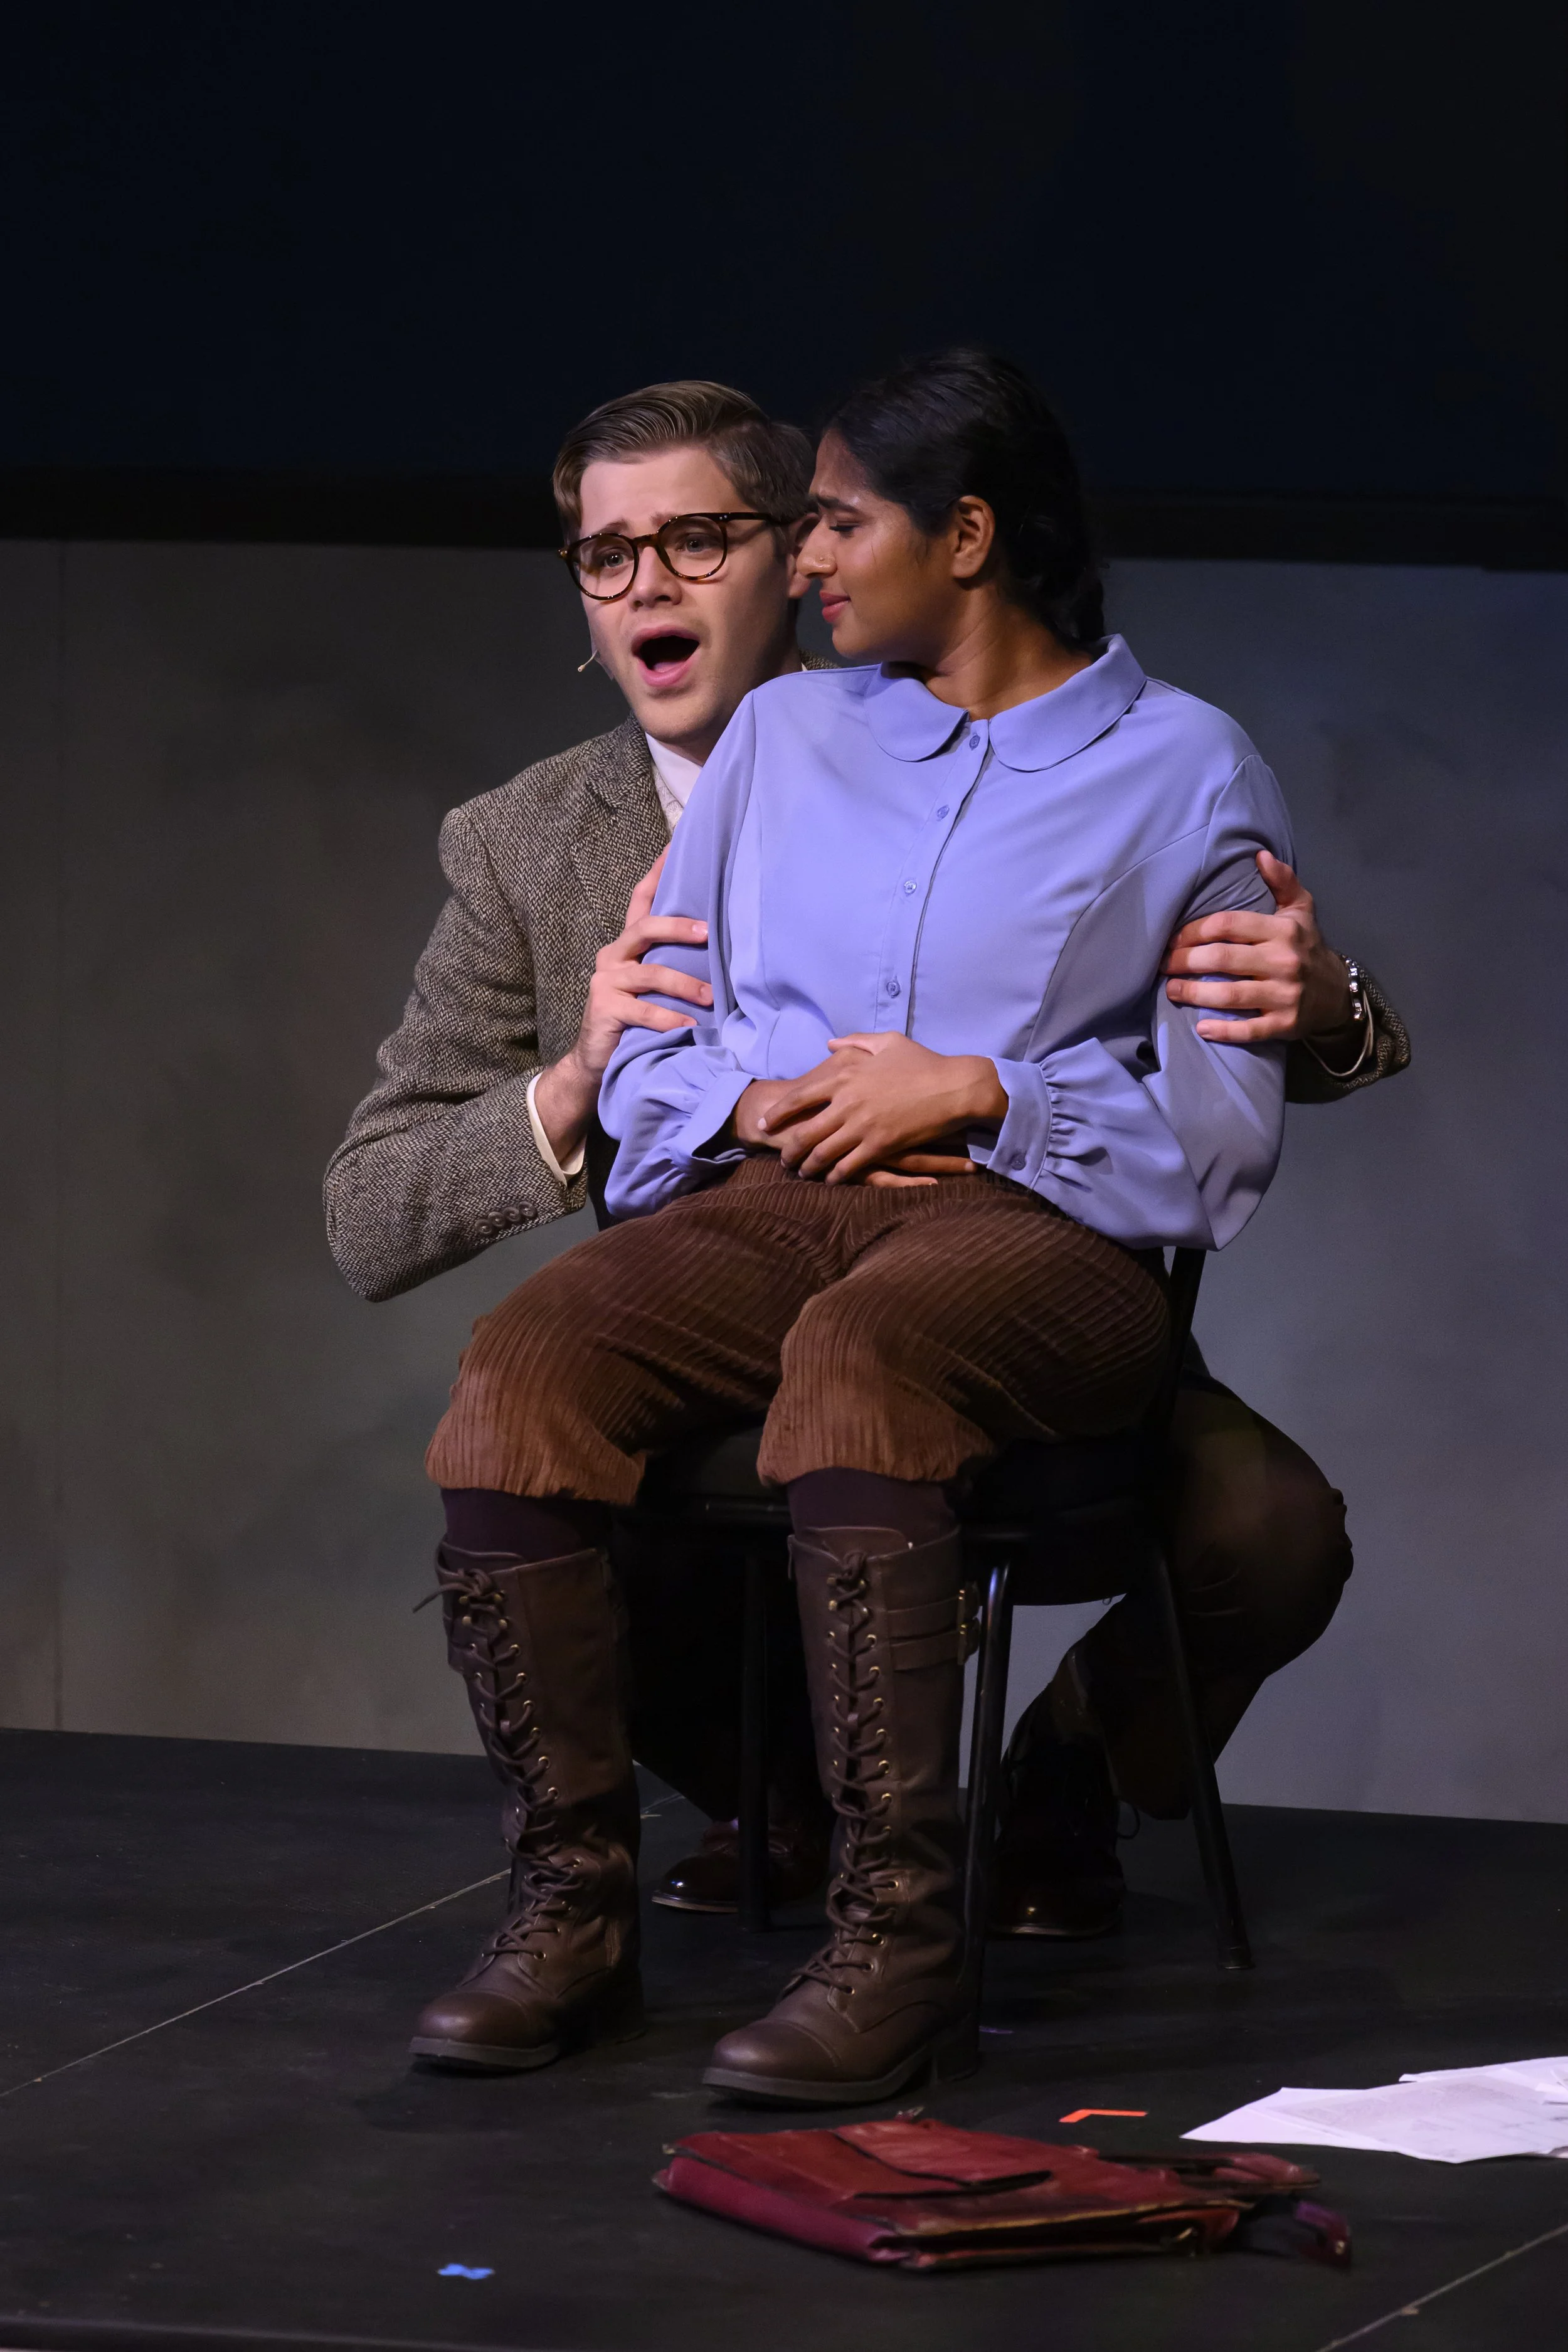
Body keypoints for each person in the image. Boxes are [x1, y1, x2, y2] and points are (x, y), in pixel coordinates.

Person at [324, 374, 1407, 2058]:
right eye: (602, 554)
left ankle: (909, 1925)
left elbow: (1212, 1126)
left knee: (918, 1378)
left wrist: (986, 1088)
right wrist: (679, 1090)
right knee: (524, 1365)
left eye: (716, 535)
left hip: (1033, 1234)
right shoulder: (744, 756)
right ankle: (572, 1913)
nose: (651, 586)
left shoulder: (1181, 765)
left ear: (952, 537)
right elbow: (457, 1158)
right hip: (765, 1213)